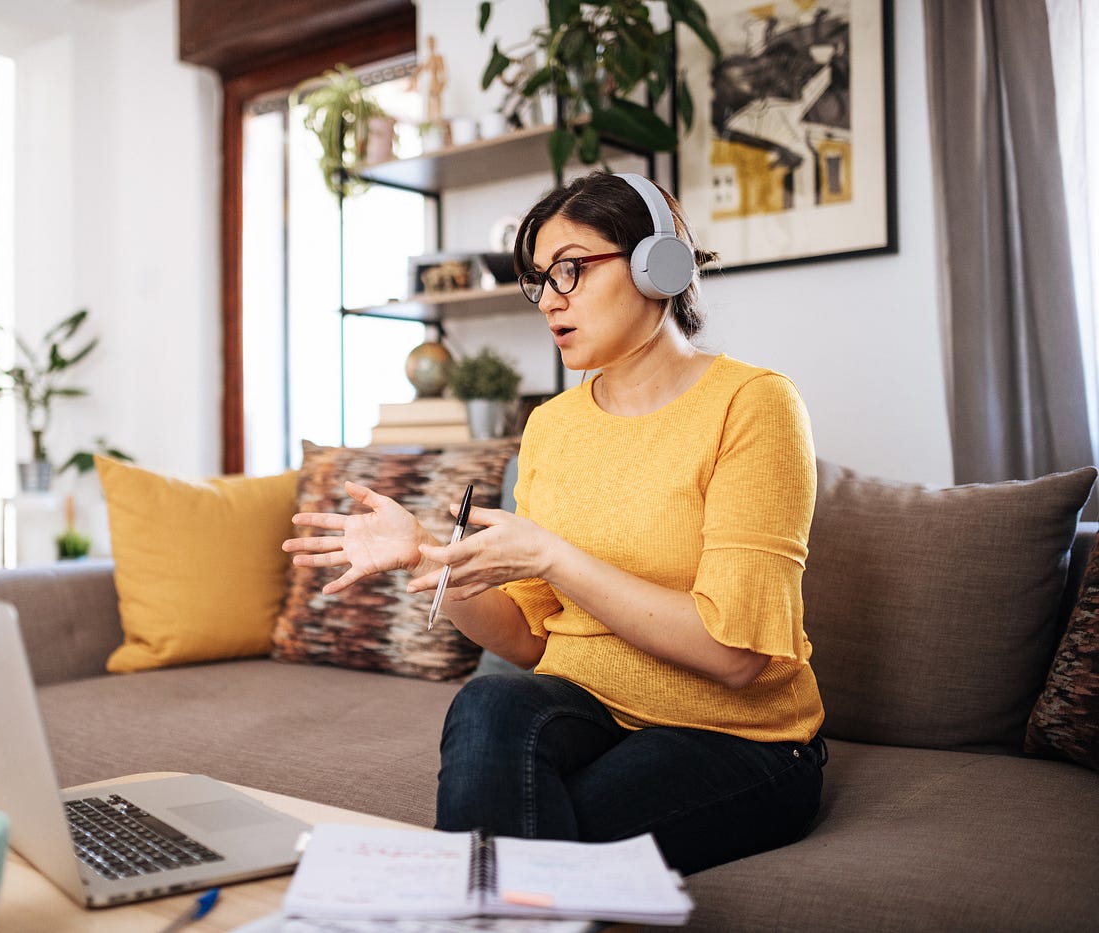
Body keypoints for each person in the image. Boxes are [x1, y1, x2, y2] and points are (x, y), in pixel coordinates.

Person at [282, 172, 826, 876]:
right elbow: (529, 639)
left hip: (740, 737)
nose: (550, 299)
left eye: (570, 268)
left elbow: (735, 655)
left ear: (655, 262)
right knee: (488, 700)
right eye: (538, 280)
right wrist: (426, 558)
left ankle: (458, 904)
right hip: (591, 709)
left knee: (530, 847)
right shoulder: (551, 426)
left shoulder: (754, 404)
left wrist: (553, 556)